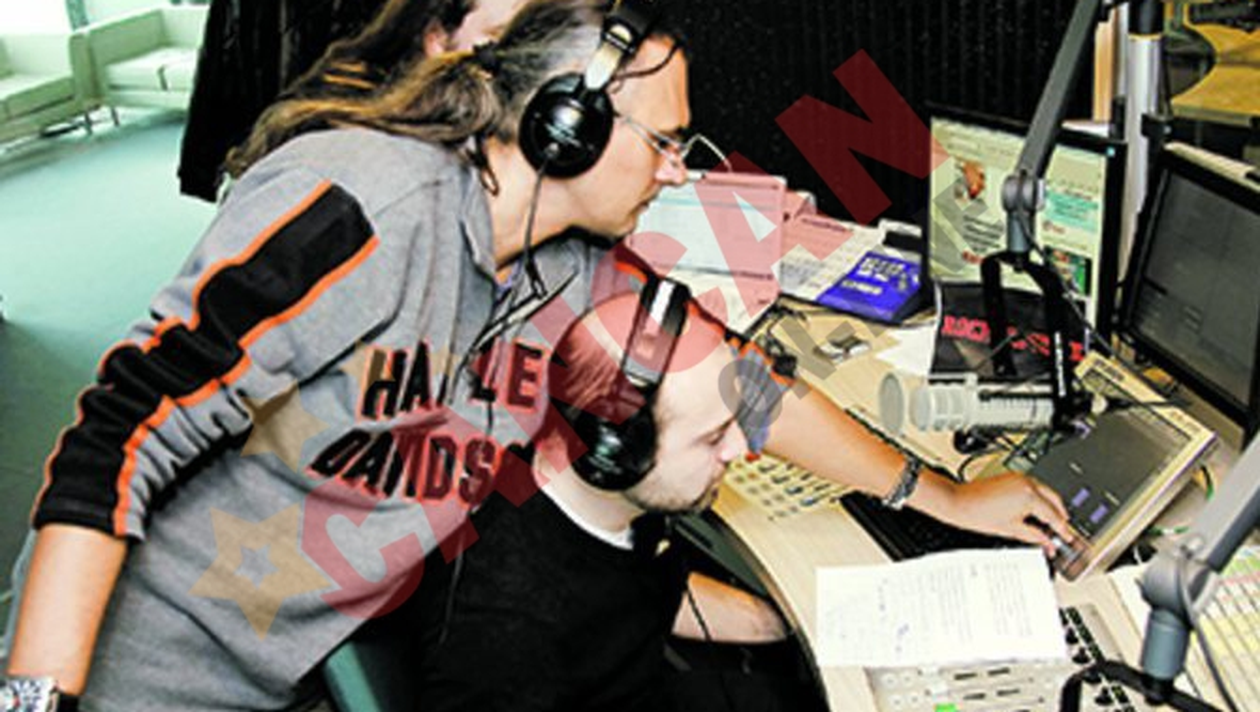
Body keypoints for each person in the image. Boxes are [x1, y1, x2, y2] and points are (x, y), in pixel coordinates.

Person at [4, 0, 1073, 708]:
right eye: (664, 141)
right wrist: (37, 699)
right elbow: (118, 433)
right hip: (141, 671)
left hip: (302, 663)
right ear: (568, 127)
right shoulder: (363, 207)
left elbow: (749, 390)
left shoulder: (564, 267)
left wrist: (942, 494)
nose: (675, 168)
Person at [399, 282, 822, 711]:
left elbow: (646, 594)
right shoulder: (506, 635)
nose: (739, 448)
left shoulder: (598, 494)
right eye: (713, 437)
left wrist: (796, 623)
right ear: (617, 450)